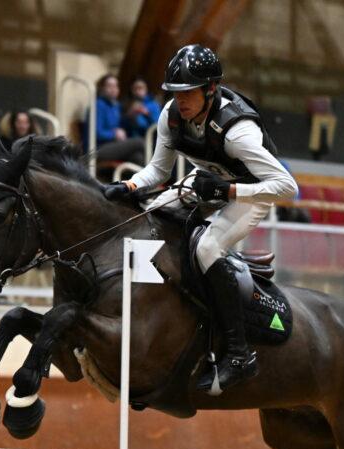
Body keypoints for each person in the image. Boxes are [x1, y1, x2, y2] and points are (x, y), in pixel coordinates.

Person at [104, 45, 298, 392]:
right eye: (176, 93)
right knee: (149, 220)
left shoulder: (238, 132)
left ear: (211, 89)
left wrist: (229, 192)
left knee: (207, 248)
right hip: (206, 180)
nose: (180, 101)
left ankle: (239, 355)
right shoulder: (171, 116)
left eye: (188, 92)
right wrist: (129, 185)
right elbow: (157, 170)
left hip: (250, 192)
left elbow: (286, 187)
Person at [91, 73, 144, 166]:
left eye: (116, 86)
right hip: (99, 148)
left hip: (114, 145)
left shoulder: (115, 105)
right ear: (102, 89)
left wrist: (130, 116)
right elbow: (96, 133)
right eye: (109, 86)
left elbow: (121, 126)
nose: (113, 89)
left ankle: (129, 181)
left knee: (138, 157)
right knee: (140, 142)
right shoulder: (98, 105)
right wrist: (113, 134)